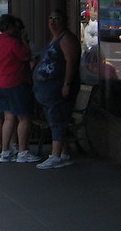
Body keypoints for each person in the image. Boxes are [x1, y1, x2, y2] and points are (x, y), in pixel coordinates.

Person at [32, 9, 79, 169]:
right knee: (54, 120)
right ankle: (64, 153)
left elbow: (70, 62)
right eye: (50, 18)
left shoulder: (66, 39)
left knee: (58, 121)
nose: (53, 22)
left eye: (57, 18)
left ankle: (56, 155)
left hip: (58, 88)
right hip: (46, 90)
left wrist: (66, 84)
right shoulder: (54, 38)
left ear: (63, 21)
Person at [0, 14, 39, 163]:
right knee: (23, 117)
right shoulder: (13, 42)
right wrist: (24, 40)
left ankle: (5, 151)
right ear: (11, 27)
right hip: (16, 82)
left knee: (8, 117)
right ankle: (22, 151)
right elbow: (26, 55)